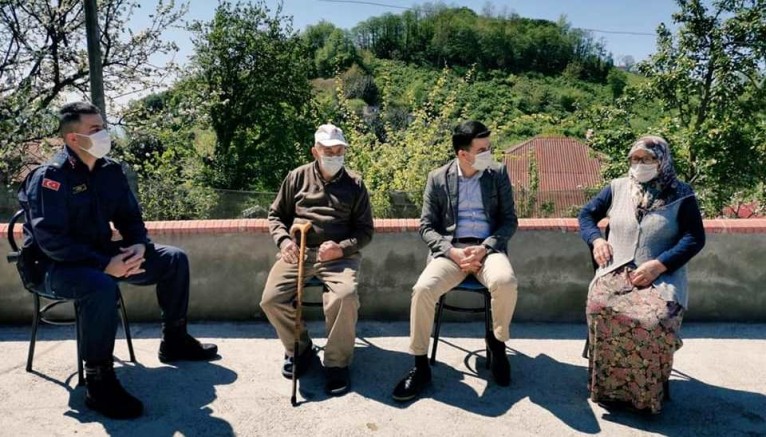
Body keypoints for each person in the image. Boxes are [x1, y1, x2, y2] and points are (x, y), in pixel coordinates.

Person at [17, 102, 218, 420]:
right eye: (95, 129)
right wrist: (104, 264)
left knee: (173, 259)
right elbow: (51, 241)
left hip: (100, 256)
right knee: (100, 286)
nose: (104, 134)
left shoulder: (110, 171)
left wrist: (137, 245)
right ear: (73, 138)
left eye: (103, 126)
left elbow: (129, 217)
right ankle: (98, 382)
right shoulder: (50, 178)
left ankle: (175, 340)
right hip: (52, 268)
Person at [392, 120, 519, 402]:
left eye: (489, 147)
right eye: (482, 150)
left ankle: (497, 344)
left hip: (488, 250)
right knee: (422, 290)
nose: (489, 153)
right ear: (463, 154)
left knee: (505, 281)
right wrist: (452, 251)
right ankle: (420, 366)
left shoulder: (497, 173)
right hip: (452, 252)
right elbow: (426, 226)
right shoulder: (438, 178)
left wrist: (485, 248)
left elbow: (510, 220)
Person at [578, 135, 705, 414]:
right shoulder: (617, 187)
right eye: (635, 158)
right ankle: (608, 389)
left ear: (662, 161)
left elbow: (694, 237)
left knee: (653, 320)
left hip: (661, 276)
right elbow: (586, 215)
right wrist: (596, 241)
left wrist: (659, 265)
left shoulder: (681, 194)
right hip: (616, 271)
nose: (640, 164)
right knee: (600, 307)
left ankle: (645, 396)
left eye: (648, 158)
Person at [260, 123, 374, 396]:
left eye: (339, 150)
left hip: (337, 257)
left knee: (345, 297)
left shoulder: (355, 185)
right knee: (271, 300)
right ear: (315, 151)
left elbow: (365, 231)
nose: (334, 155)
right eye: (328, 150)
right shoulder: (296, 177)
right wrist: (284, 241)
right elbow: (276, 215)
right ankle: (300, 348)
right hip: (298, 252)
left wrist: (341, 248)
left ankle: (337, 363)